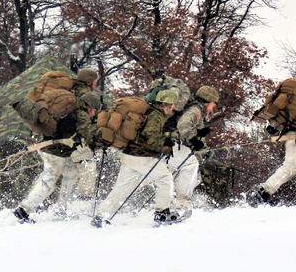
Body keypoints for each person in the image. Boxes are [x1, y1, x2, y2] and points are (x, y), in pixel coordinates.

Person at [14, 91, 104, 223]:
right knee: (49, 180)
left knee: (71, 174)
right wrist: (102, 140)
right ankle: (23, 210)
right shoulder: (81, 114)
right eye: (95, 111)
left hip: (56, 151)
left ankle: (62, 208)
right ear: (90, 107)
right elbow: (88, 133)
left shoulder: (70, 110)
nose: (94, 115)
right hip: (54, 152)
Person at [92, 89, 179, 227]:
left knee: (121, 189)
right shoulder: (156, 116)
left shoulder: (148, 112)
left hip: (129, 155)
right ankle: (162, 213)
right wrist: (164, 147)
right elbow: (150, 135)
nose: (173, 107)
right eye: (172, 104)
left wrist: (166, 137)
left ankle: (101, 216)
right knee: (165, 179)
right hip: (143, 158)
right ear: (168, 104)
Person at [166, 85, 218, 215]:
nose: (214, 107)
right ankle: (181, 203)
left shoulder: (193, 107)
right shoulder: (195, 110)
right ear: (207, 101)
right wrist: (194, 141)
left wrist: (204, 150)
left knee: (193, 176)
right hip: (177, 147)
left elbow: (192, 133)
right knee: (191, 167)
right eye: (213, 103)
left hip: (174, 148)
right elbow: (183, 126)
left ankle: (169, 202)